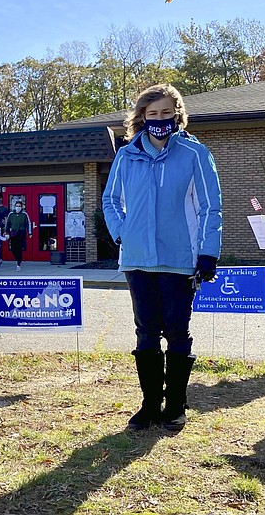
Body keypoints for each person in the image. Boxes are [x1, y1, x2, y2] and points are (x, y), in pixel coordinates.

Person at [102, 83, 222, 432]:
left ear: (177, 115)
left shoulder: (195, 154)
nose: (159, 119)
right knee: (146, 333)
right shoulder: (126, 155)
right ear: (141, 117)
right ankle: (150, 404)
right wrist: (122, 233)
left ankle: (175, 404)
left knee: (177, 331)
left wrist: (207, 252)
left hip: (179, 259)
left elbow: (210, 207)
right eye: (151, 113)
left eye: (166, 113)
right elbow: (111, 200)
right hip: (137, 259)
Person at [5, 201, 32, 271]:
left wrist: (29, 233)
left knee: (19, 248)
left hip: (21, 233)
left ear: (22, 207)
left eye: (19, 206)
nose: (18, 207)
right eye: (17, 206)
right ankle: (17, 259)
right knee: (13, 248)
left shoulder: (24, 214)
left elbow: (28, 223)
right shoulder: (11, 214)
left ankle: (18, 264)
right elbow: (7, 224)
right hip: (13, 233)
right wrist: (7, 232)